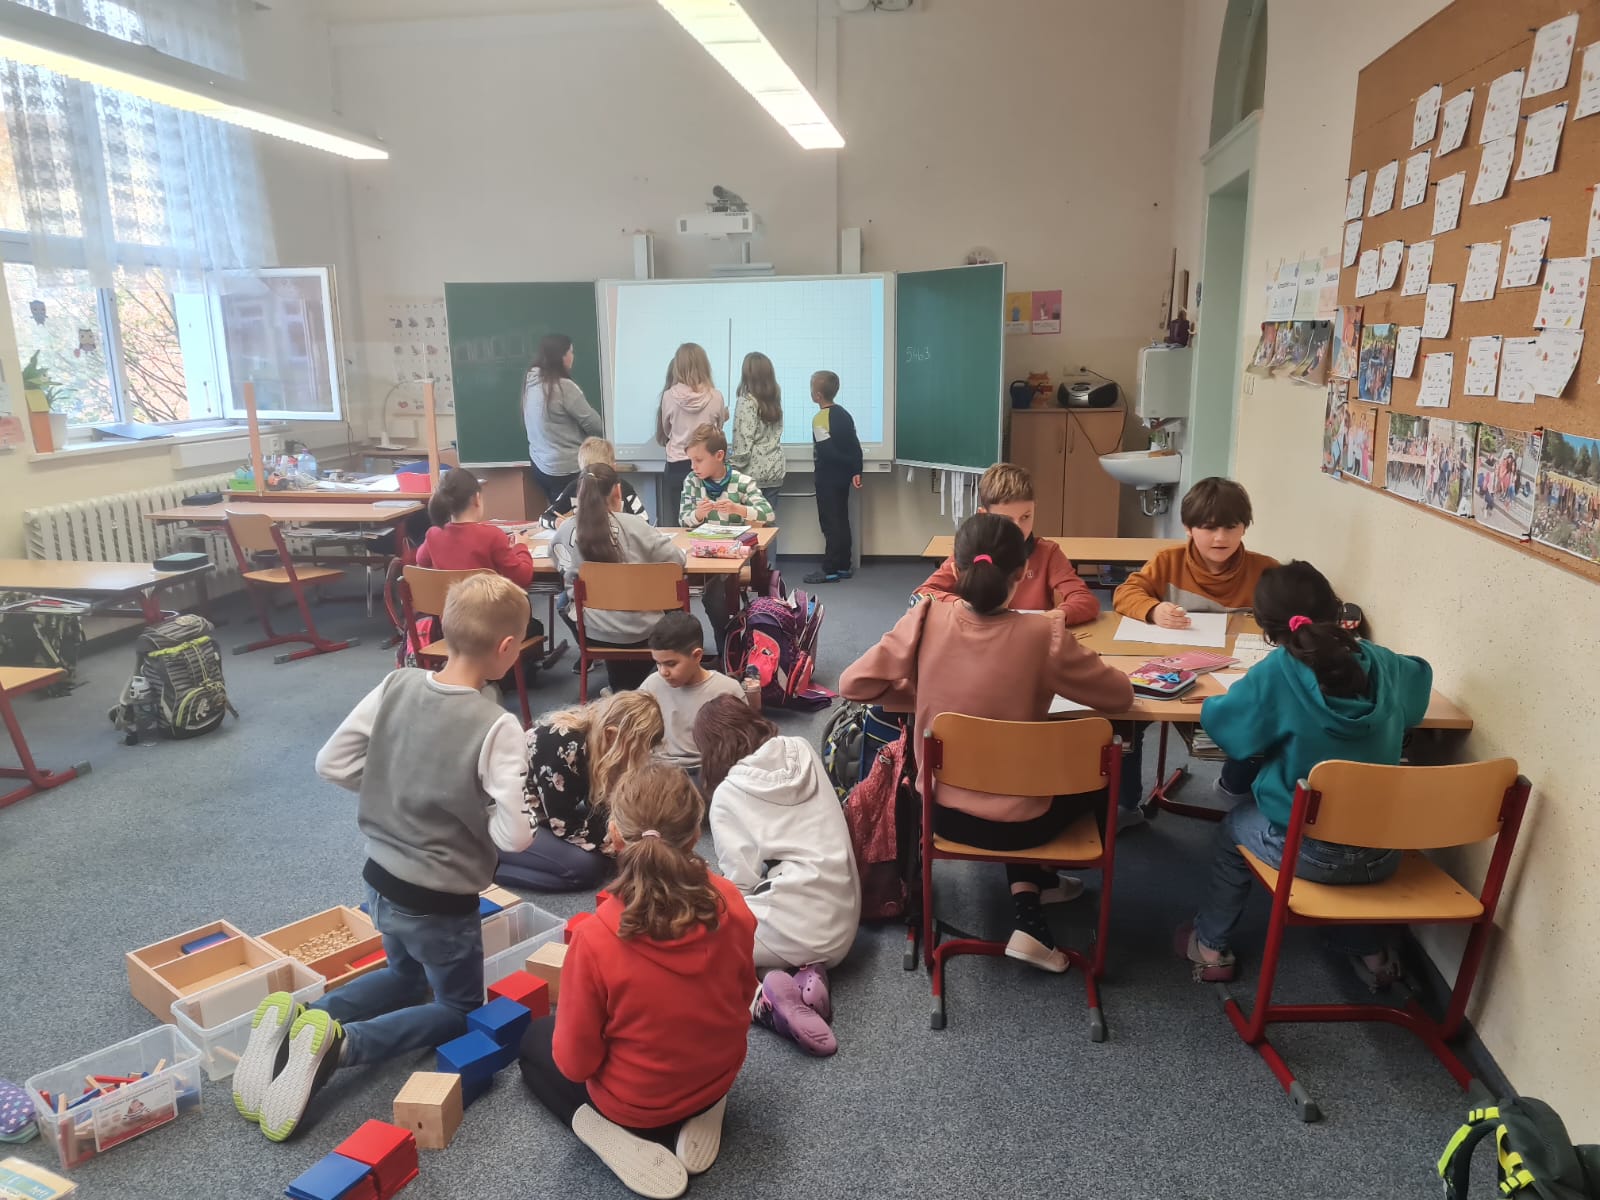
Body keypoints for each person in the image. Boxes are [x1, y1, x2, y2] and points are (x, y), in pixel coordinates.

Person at [235, 574, 535, 1142]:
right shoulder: (497, 724)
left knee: (403, 974)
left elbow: (331, 763)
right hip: (440, 901)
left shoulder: (396, 682)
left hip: (378, 879)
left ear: (445, 630)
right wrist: (476, 819)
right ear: (505, 648)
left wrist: (389, 792)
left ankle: (306, 1019)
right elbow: (516, 836)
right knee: (458, 1007)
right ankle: (340, 1046)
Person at [839, 513, 1134, 973]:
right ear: (1022, 574)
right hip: (1027, 825)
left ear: (955, 571)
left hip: (943, 816)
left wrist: (925, 690)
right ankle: (1041, 880)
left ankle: (1032, 893)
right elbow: (1119, 697)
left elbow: (853, 684)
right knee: (1092, 769)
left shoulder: (924, 618)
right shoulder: (1045, 634)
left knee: (1012, 771)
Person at [1178, 561, 1433, 986]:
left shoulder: (1275, 673)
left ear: (1266, 629)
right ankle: (1372, 955)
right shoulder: (1383, 663)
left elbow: (1229, 731)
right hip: (1384, 851)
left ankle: (1211, 947)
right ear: (1337, 610)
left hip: (1307, 851)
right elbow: (1421, 684)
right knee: (1349, 828)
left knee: (1233, 829)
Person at [517, 764, 756, 1199]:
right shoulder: (732, 899)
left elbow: (575, 1065)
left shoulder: (595, 939)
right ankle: (701, 1105)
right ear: (694, 835)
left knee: (535, 1041)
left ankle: (618, 1137)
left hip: (636, 1109)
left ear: (614, 835)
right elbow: (743, 997)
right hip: (719, 1075)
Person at [1111, 477, 1279, 829]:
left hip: (1237, 677)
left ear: (1245, 527)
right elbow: (1125, 593)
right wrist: (1153, 609)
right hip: (1172, 671)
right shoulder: (1168, 562)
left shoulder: (1265, 570)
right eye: (1209, 527)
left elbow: (1293, 608)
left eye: (1231, 527)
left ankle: (1235, 789)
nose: (1221, 538)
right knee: (1126, 715)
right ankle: (1126, 805)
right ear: (1188, 528)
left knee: (1264, 715)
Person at [696, 696, 860, 1057]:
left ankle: (764, 1002)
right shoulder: (801, 747)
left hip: (797, 922)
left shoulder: (728, 795)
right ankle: (804, 971)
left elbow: (740, 884)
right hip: (846, 919)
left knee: (698, 945)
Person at [496, 690, 664, 892]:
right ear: (611, 735)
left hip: (541, 809)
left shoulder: (598, 738)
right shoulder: (562, 746)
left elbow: (602, 804)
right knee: (586, 868)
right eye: (638, 751)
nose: (642, 759)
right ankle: (488, 866)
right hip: (501, 817)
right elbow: (562, 824)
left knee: (607, 851)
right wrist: (616, 843)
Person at [553, 463, 688, 693]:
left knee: (564, 601)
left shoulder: (566, 530)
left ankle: (618, 685)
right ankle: (637, 684)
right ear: (618, 491)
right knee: (673, 601)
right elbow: (677, 561)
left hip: (595, 632)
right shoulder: (636, 526)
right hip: (646, 631)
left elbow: (561, 567)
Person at [913, 462, 1099, 624]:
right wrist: (964, 607)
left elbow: (1085, 601)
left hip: (1027, 641)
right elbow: (921, 594)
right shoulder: (972, 551)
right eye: (1007, 520)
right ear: (984, 515)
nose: (1018, 528)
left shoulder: (1047, 553)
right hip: (980, 641)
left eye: (1026, 517)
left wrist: (1052, 617)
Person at [678, 423, 774, 651]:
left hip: (730, 559)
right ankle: (688, 648)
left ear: (719, 456)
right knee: (670, 585)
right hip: (700, 555)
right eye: (691, 461)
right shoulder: (692, 481)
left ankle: (726, 646)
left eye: (698, 460)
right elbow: (683, 519)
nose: (693, 466)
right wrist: (698, 514)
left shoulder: (741, 482)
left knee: (713, 596)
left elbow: (768, 514)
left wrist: (738, 509)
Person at [639, 611, 746, 771]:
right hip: (660, 768)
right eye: (658, 663)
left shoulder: (727, 690)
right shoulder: (651, 685)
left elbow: (742, 746)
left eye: (671, 664)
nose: (663, 672)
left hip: (708, 769)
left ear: (697, 656)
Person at [524, 333, 605, 502]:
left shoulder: (531, 383)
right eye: (571, 352)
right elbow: (596, 426)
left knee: (557, 512)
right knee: (575, 515)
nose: (572, 356)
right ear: (562, 356)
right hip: (566, 470)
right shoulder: (564, 387)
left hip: (539, 466)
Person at [805, 369, 862, 585]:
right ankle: (844, 565)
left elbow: (827, 452)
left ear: (818, 395)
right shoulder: (845, 414)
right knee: (842, 519)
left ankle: (830, 568)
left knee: (830, 523)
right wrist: (856, 470)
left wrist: (845, 464)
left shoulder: (820, 418)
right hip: (843, 478)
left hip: (827, 479)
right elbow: (855, 446)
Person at [655, 342, 727, 508]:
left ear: (678, 366)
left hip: (677, 464)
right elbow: (718, 430)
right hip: (708, 463)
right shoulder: (716, 396)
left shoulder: (668, 396)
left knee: (681, 516)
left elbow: (667, 430)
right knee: (710, 514)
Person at [541, 438, 650, 528]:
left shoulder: (623, 487)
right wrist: (557, 522)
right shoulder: (574, 487)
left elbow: (644, 521)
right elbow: (545, 517)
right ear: (614, 467)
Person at [728, 351, 786, 493]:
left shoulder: (746, 402)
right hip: (775, 471)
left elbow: (743, 445)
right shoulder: (774, 401)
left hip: (750, 477)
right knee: (768, 509)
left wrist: (728, 466)